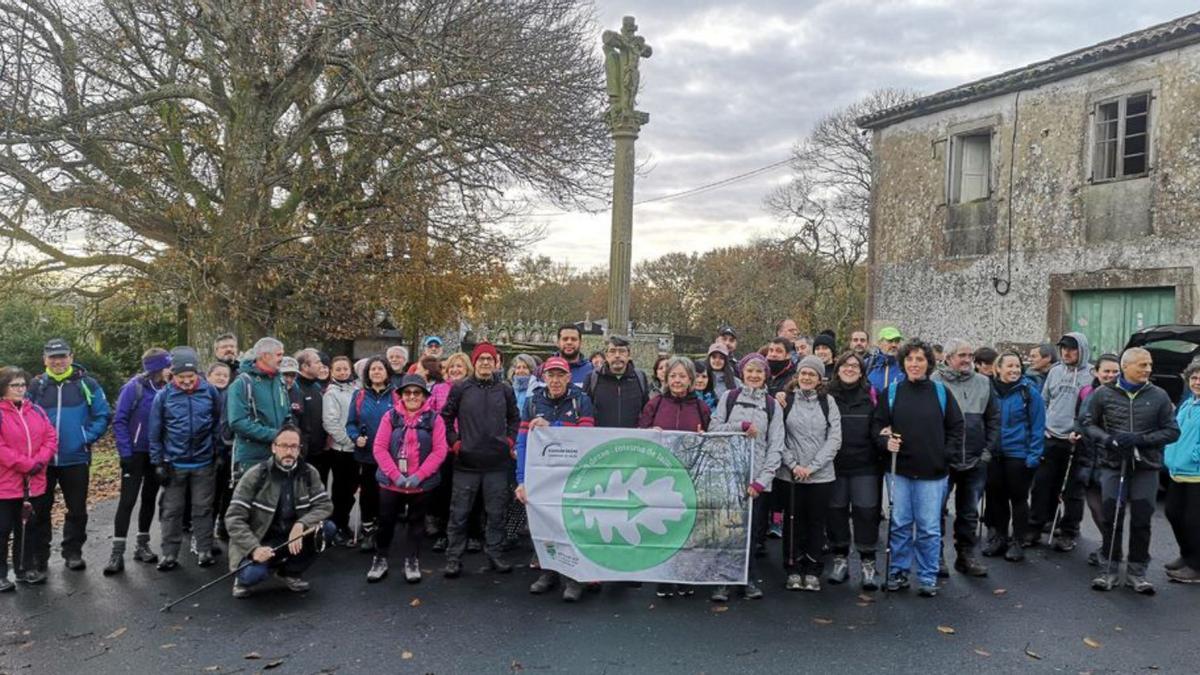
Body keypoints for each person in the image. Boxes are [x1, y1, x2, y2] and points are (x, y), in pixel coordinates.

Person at [1081, 347, 1180, 594]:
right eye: (1142, 365)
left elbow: (1172, 431)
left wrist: (1140, 439)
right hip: (1114, 464)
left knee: (1142, 519)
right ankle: (1109, 569)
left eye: (1149, 364)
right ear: (1126, 367)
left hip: (1146, 466)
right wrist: (1108, 440)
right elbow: (1087, 423)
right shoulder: (1103, 394)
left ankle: (1137, 572)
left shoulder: (1158, 395)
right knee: (1111, 517)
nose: (1148, 369)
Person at [872, 339, 964, 597]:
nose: (914, 364)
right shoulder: (891, 393)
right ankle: (898, 572)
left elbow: (957, 427)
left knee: (929, 527)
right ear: (903, 363)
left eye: (920, 359)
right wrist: (884, 441)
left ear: (928, 363)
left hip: (932, 473)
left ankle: (926, 575)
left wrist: (945, 455)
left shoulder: (941, 393)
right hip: (898, 470)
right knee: (900, 524)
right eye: (910, 359)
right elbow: (877, 426)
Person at [515, 357, 595, 601]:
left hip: (573, 475)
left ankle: (574, 578)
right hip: (542, 477)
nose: (556, 380)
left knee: (571, 527)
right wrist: (521, 480)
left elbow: (587, 435)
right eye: (551, 375)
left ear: (569, 377)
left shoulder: (581, 400)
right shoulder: (532, 402)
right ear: (544, 377)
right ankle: (548, 573)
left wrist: (553, 426)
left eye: (561, 375)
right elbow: (523, 442)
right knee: (544, 526)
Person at [27, 338, 111, 572]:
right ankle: (39, 556)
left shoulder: (87, 384)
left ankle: (73, 552)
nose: (58, 362)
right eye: (53, 357)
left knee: (77, 509)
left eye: (62, 357)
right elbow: (23, 418)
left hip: (76, 458)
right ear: (45, 359)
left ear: (71, 358)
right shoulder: (35, 386)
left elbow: (103, 414)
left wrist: (85, 437)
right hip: (42, 461)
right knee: (40, 510)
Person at [225, 425, 334, 598]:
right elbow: (233, 518)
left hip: (291, 536)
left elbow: (325, 505)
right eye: (284, 446)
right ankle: (243, 577)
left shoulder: (308, 473)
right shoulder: (255, 475)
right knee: (252, 575)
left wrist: (302, 524)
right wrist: (254, 549)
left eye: (294, 447)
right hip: (259, 539)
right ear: (274, 447)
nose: (289, 451)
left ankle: (290, 572)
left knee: (327, 529)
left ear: (299, 449)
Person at [440, 343, 519, 578]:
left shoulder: (505, 390)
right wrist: (455, 443)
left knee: (496, 513)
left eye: (490, 359)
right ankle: (454, 557)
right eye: (481, 359)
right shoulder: (461, 389)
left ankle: (494, 553)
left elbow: (514, 418)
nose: (485, 363)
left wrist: (510, 442)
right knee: (459, 513)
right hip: (467, 463)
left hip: (497, 463)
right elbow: (445, 418)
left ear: (496, 363)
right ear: (474, 362)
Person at [709, 353, 783, 600]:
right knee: (726, 530)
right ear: (742, 373)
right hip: (728, 474)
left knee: (751, 533)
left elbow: (776, 446)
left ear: (765, 376)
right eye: (750, 371)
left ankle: (747, 578)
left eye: (759, 372)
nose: (754, 375)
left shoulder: (772, 406)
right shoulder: (729, 398)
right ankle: (723, 581)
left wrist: (762, 481)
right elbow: (714, 429)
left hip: (756, 480)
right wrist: (738, 427)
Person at [638, 356, 711, 598]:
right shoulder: (655, 404)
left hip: (690, 476)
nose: (677, 380)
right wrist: (650, 433)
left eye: (682, 376)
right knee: (663, 526)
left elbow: (712, 440)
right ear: (666, 379)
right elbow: (639, 435)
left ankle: (685, 575)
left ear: (691, 380)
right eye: (673, 376)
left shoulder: (701, 408)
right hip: (661, 477)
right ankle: (664, 576)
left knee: (687, 527)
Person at [367, 375, 449, 584]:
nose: (412, 396)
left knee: (416, 522)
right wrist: (395, 475)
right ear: (401, 395)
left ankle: (412, 559)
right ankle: (380, 558)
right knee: (386, 521)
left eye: (417, 393)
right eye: (407, 392)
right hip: (391, 483)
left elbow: (440, 450)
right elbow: (379, 448)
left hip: (421, 484)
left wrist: (419, 475)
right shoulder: (391, 416)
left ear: (424, 396)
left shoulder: (434, 419)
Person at [148, 347, 223, 570]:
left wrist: (218, 452)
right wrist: (158, 462)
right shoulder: (164, 396)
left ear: (197, 374)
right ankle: (170, 554)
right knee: (172, 510)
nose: (187, 382)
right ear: (173, 376)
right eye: (182, 378)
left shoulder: (210, 392)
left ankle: (204, 549)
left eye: (191, 377)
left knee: (203, 508)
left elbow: (217, 424)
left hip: (204, 462)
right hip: (174, 463)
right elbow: (155, 432)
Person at [931, 339, 999, 577]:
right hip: (943, 460)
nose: (968, 359)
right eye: (962, 355)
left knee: (969, 512)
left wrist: (987, 451)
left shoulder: (984, 382)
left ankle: (966, 556)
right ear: (948, 358)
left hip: (975, 459)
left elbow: (993, 419)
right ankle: (936, 557)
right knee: (936, 511)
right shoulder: (934, 382)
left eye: (971, 355)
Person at [775, 356, 842, 592]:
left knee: (816, 523)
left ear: (819, 378)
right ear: (797, 375)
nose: (806, 378)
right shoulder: (786, 400)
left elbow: (834, 438)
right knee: (792, 523)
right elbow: (778, 435)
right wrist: (793, 465)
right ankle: (792, 568)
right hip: (790, 475)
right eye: (803, 373)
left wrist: (812, 467)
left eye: (812, 374)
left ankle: (813, 569)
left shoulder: (828, 402)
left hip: (820, 476)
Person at [104, 348, 171, 575]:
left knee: (149, 498)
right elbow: (120, 420)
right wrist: (125, 452)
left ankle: (142, 545)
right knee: (127, 500)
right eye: (167, 366)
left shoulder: (168, 388)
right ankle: (116, 552)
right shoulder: (134, 388)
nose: (170, 370)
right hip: (134, 452)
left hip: (155, 453)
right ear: (156, 368)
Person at [1027, 333, 1093, 550]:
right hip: (1051, 436)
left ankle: (1069, 532)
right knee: (1042, 485)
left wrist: (1082, 431)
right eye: (1063, 348)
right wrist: (1043, 427)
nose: (1066, 352)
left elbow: (1094, 410)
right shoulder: (1055, 371)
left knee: (1073, 490)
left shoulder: (1091, 375)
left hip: (1076, 441)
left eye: (1072, 348)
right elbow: (1044, 401)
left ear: (1081, 350)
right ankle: (1037, 525)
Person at [825, 353, 883, 590]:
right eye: (845, 365)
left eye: (855, 366)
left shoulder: (871, 396)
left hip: (865, 465)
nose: (849, 369)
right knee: (836, 513)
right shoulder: (826, 396)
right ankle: (840, 560)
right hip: (834, 466)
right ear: (837, 369)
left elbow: (880, 426)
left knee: (866, 513)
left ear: (861, 371)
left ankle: (868, 563)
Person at [981, 352, 1046, 563]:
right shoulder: (988, 390)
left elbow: (1038, 425)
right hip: (994, 453)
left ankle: (1018, 542)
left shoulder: (1029, 393)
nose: (1014, 370)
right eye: (1009, 366)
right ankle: (999, 538)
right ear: (997, 369)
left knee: (1018, 499)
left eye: (1017, 366)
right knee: (996, 498)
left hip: (1019, 454)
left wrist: (1034, 455)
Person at [0, 367, 57, 589]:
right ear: (4, 387)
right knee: (2, 530)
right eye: (15, 385)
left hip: (33, 482)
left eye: (23, 384)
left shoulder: (37, 411)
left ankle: (24, 569)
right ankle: (1, 574)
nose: (20, 389)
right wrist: (25, 464)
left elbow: (51, 437)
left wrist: (40, 461)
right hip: (6, 483)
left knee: (28, 527)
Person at [346, 356, 398, 552]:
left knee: (386, 494)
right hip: (366, 455)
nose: (376, 372)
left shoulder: (396, 396)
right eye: (373, 369)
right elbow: (351, 423)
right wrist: (355, 436)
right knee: (368, 493)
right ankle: (368, 531)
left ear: (387, 372)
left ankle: (383, 530)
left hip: (389, 456)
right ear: (367, 373)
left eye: (380, 369)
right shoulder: (359, 396)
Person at [1073, 354, 1121, 568]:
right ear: (1096, 372)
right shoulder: (1086, 392)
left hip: (1110, 458)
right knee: (1094, 506)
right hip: (1087, 456)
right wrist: (1075, 432)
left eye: (1115, 372)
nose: (1110, 375)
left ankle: (1112, 550)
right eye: (1106, 371)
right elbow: (1079, 419)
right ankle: (1109, 547)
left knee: (1110, 508)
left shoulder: (1122, 395)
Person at [226, 337, 292, 474]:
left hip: (279, 454)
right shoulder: (242, 383)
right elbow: (237, 422)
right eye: (279, 354)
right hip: (252, 459)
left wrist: (289, 435)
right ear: (265, 356)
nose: (282, 359)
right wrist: (274, 435)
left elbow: (287, 414)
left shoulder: (280, 381)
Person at [1163, 361, 1200, 583]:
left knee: (1193, 520)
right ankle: (1187, 555)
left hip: (1196, 472)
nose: (1198, 382)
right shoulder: (1188, 404)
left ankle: (1196, 566)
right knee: (1173, 513)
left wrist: (1193, 456)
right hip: (1178, 470)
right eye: (1194, 378)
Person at [320, 356, 360, 546]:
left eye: (346, 369)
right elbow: (330, 422)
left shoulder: (356, 389)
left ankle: (343, 522)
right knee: (340, 490)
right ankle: (336, 525)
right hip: (342, 449)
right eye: (339, 369)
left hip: (356, 448)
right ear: (332, 371)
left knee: (351, 488)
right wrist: (346, 440)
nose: (343, 372)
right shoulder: (331, 393)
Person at [584, 336, 649, 430]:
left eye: (622, 351)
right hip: (601, 440)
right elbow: (585, 411)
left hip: (631, 441)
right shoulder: (593, 377)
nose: (617, 355)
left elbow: (647, 412)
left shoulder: (640, 378)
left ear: (629, 355)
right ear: (606, 356)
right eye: (612, 351)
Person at [207, 361, 235, 546]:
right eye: (218, 374)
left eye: (225, 375)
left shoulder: (231, 395)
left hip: (228, 450)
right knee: (211, 494)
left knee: (228, 490)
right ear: (209, 376)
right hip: (209, 451)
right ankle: (205, 532)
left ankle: (223, 525)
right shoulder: (205, 395)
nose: (222, 378)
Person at [294, 349, 329, 482]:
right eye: (317, 362)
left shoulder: (317, 387)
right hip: (303, 452)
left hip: (320, 450)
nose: (321, 365)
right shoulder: (295, 388)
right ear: (304, 366)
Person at [866, 327, 904, 392]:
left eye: (897, 341)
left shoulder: (905, 365)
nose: (894, 345)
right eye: (890, 341)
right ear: (879, 343)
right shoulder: (868, 364)